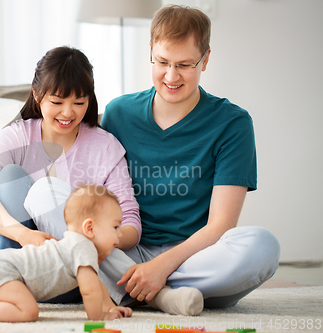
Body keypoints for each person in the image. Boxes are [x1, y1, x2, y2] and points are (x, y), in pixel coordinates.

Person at [98, 5, 281, 311]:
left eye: (184, 64)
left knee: (263, 246)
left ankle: (139, 287)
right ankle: (165, 296)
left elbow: (221, 224)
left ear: (205, 59)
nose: (171, 76)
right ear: (151, 52)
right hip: (129, 250)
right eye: (162, 62)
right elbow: (99, 197)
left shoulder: (232, 123)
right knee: (56, 203)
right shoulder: (118, 113)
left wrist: (161, 268)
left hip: (197, 256)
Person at [0, 46, 140, 304]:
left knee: (11, 177)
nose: (68, 113)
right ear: (37, 95)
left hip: (65, 271)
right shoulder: (16, 137)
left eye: (79, 103)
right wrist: (23, 235)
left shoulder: (105, 147)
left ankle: (9, 292)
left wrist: (97, 241)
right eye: (57, 102)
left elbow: (131, 224)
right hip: (19, 253)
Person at [0, 184, 133, 322]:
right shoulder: (84, 248)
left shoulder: (73, 246)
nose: (119, 233)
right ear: (89, 228)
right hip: (3, 271)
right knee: (28, 311)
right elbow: (90, 291)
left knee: (13, 296)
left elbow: (96, 283)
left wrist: (110, 308)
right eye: (115, 226)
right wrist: (99, 317)